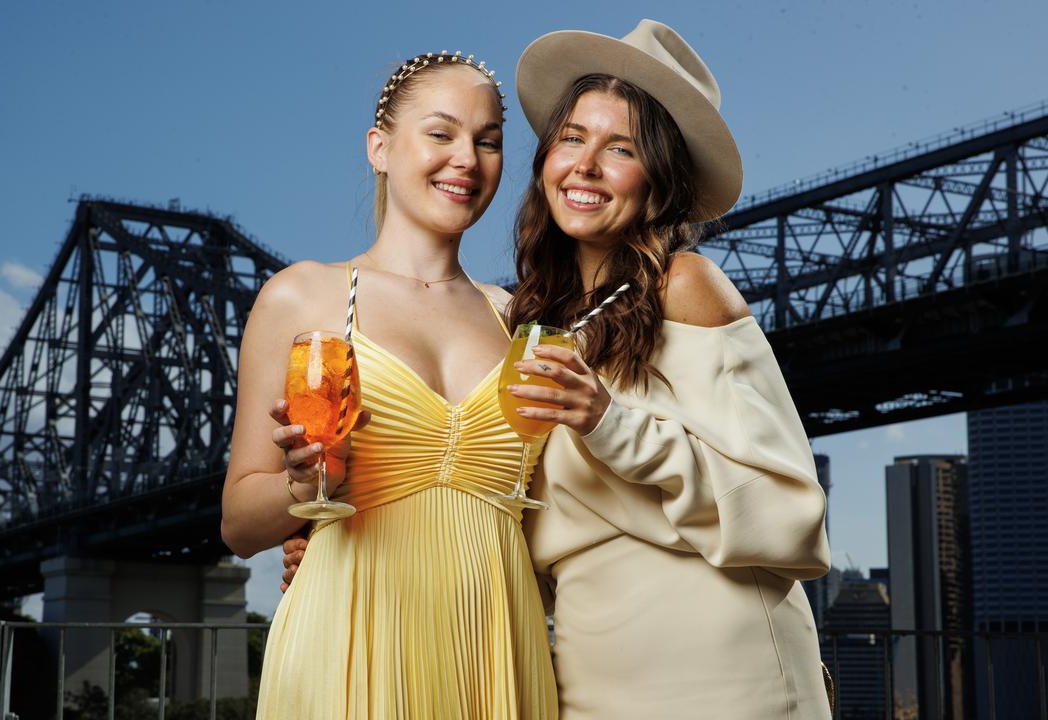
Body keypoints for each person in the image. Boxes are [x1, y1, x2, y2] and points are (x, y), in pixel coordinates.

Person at [285, 21, 834, 719]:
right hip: (586, 674)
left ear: (661, 181)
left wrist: (609, 423)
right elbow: (508, 505)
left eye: (623, 148)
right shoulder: (531, 321)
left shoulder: (686, 286)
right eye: (573, 139)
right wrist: (343, 552)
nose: (586, 166)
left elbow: (791, 517)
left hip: (719, 667)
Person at [221, 50, 557, 718]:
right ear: (379, 148)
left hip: (496, 650)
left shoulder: (521, 320)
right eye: (441, 133)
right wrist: (301, 487)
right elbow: (237, 525)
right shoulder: (302, 297)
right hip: (348, 645)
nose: (468, 157)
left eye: (488, 141)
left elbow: (546, 522)